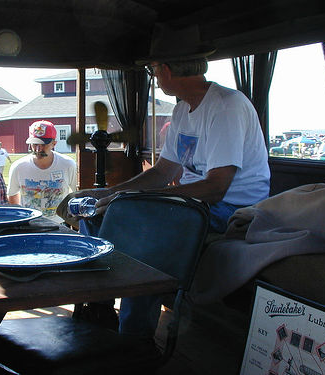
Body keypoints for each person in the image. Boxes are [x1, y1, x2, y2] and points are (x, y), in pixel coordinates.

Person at [70, 51, 270, 339]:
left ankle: (135, 339)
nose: (155, 76)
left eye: (152, 70)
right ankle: (99, 306)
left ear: (164, 70)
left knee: (145, 235)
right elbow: (162, 172)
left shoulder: (227, 106)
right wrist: (109, 192)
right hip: (192, 201)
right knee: (94, 211)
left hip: (231, 207)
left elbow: (216, 188)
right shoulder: (181, 110)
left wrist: (144, 200)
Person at [7, 120, 76, 223]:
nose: (38, 149)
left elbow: (78, 193)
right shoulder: (18, 167)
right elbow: (12, 195)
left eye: (43, 144)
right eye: (34, 144)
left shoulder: (68, 164)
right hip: (28, 224)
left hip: (59, 225)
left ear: (54, 143)